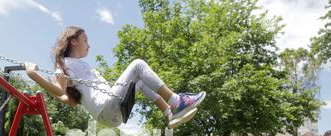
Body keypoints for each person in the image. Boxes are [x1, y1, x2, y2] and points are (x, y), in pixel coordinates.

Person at [25, 26, 206, 130]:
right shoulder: (65, 63)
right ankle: (176, 101)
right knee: (138, 65)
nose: (89, 45)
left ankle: (169, 113)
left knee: (140, 81)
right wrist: (33, 74)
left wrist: (50, 88)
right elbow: (60, 89)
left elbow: (66, 99)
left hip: (109, 115)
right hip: (107, 108)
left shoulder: (75, 66)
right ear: (73, 41)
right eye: (85, 40)